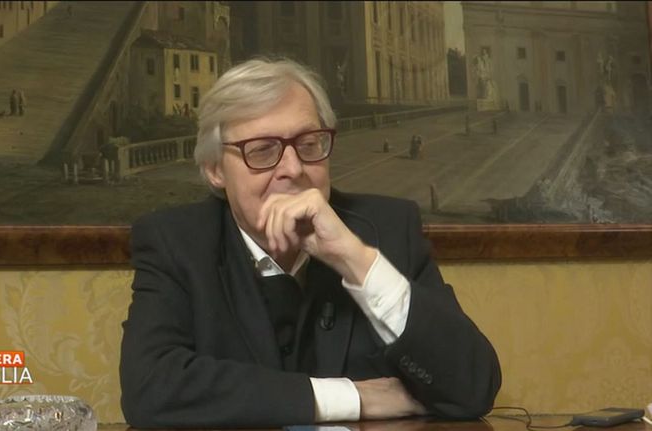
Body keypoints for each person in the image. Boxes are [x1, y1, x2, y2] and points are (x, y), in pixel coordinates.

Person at [120, 58, 501, 428]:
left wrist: (355, 260)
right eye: (262, 150)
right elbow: (150, 388)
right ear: (216, 170)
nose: (294, 168)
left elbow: (473, 389)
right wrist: (352, 398)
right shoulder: (175, 242)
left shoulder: (388, 228)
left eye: (308, 144)